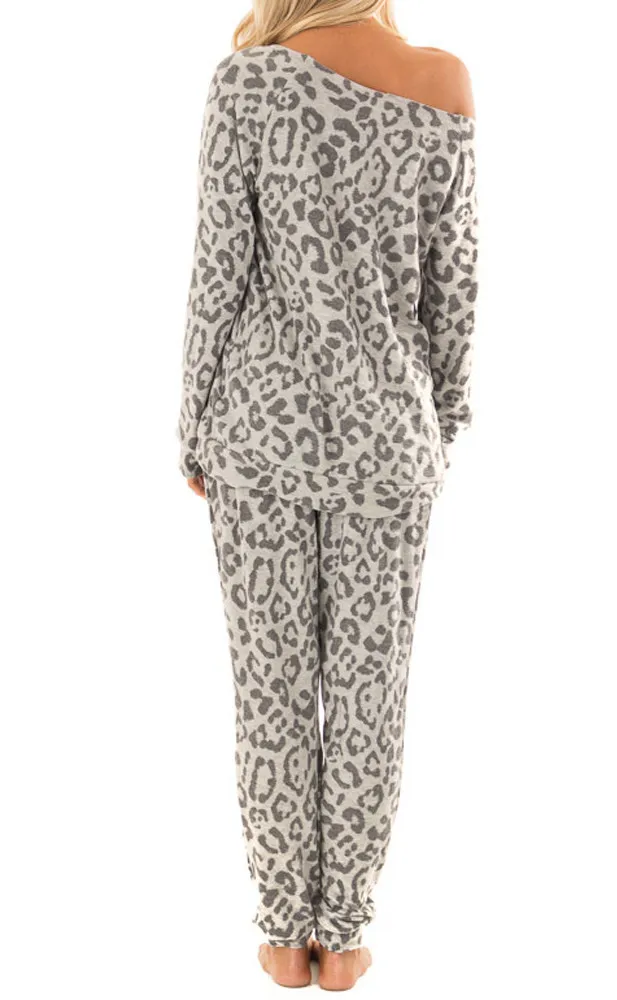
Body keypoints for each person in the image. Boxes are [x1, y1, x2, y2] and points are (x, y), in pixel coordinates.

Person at [176, 1, 477, 989]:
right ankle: (341, 937)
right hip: (389, 435)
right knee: (368, 690)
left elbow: (219, 270)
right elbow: (453, 283)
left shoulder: (247, 80)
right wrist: (443, 419)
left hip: (258, 430)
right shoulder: (442, 82)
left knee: (269, 686)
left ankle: (280, 931)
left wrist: (192, 423)